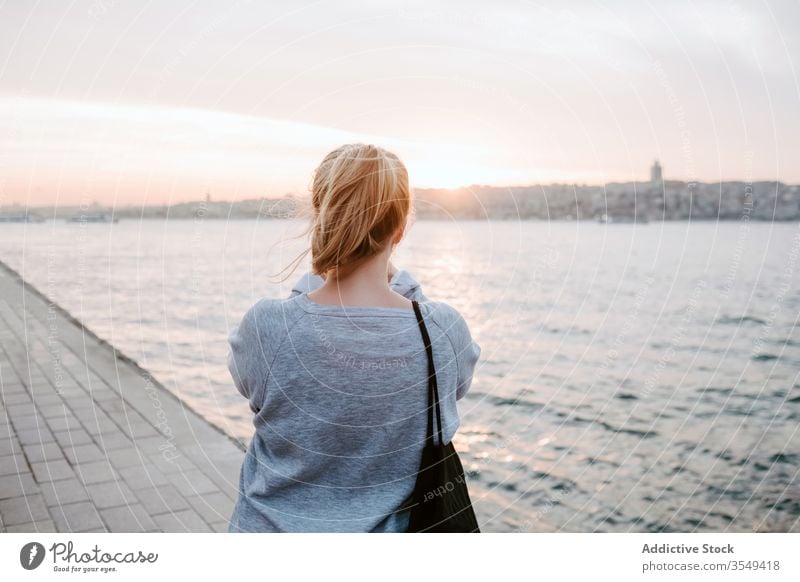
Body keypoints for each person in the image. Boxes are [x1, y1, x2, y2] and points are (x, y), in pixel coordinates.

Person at [227, 143, 481, 532]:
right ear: (400, 227)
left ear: (320, 215)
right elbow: (452, 388)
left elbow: (254, 384)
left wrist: (314, 283)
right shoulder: (443, 331)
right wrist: (403, 288)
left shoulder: (268, 327)